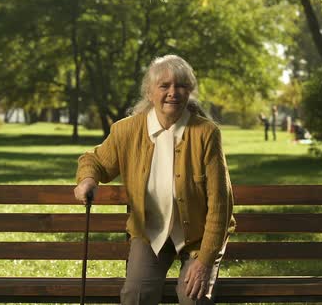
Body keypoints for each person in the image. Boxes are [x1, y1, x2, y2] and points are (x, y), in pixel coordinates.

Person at [74, 55, 235, 305]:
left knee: (194, 298)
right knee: (136, 296)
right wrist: (87, 180)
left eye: (181, 85)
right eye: (164, 86)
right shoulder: (126, 130)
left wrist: (204, 261)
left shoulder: (206, 133)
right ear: (150, 93)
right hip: (150, 232)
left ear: (189, 91)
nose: (173, 92)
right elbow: (94, 160)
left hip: (199, 236)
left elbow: (220, 205)